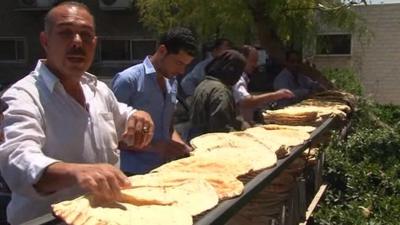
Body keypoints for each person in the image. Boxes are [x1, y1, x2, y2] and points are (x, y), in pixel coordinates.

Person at [0, 2, 154, 224]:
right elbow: (17, 159)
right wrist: (76, 172)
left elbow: (123, 115)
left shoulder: (98, 89)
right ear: (45, 41)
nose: (77, 42)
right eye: (65, 33)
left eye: (86, 35)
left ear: (95, 43)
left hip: (103, 217)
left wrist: (139, 116)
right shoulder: (23, 96)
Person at [112, 27, 197, 175]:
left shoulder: (172, 82)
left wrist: (183, 148)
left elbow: (168, 128)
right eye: (179, 63)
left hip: (161, 170)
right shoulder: (128, 80)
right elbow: (110, 136)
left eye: (186, 65)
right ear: (163, 51)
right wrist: (157, 147)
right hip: (131, 172)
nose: (182, 71)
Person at [189, 50, 249, 139]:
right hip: (212, 146)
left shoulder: (204, 84)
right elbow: (221, 129)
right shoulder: (221, 91)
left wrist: (243, 124)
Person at [233, 45, 294, 123]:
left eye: (256, 61)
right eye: (253, 61)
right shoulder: (237, 78)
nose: (256, 65)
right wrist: (276, 95)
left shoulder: (244, 77)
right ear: (242, 59)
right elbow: (245, 101)